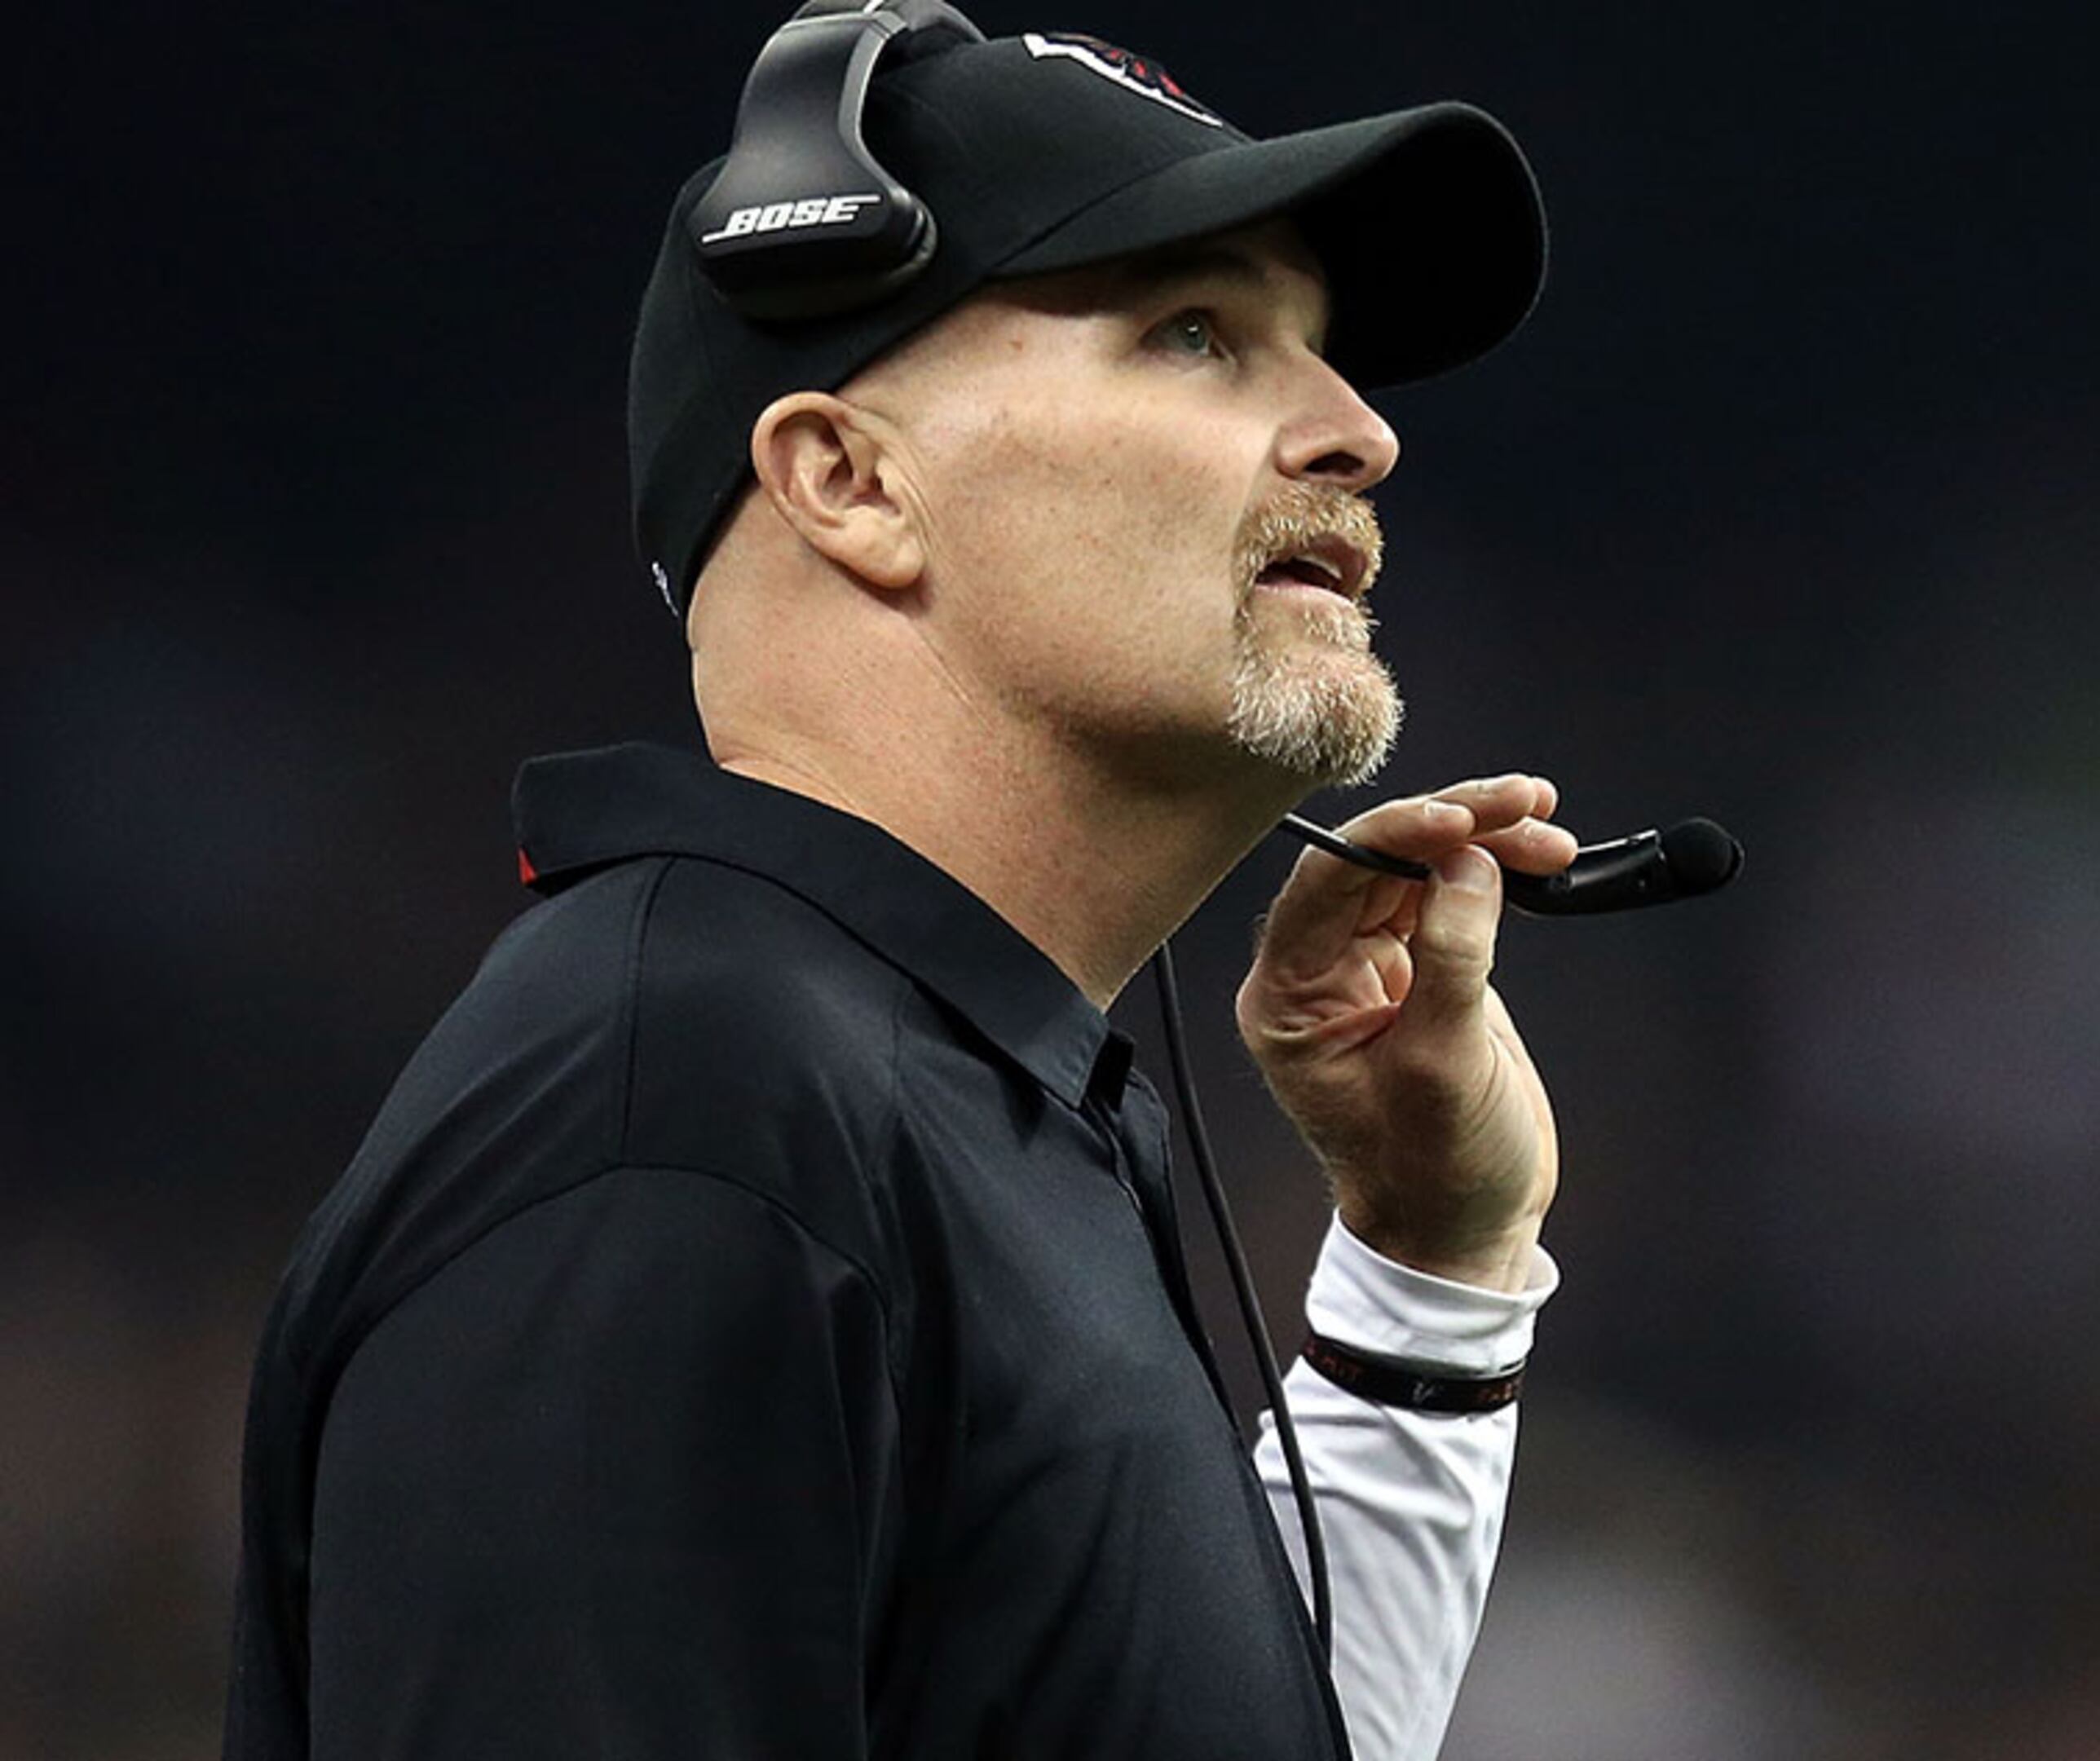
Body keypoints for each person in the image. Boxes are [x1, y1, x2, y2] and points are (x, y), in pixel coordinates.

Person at [224, 15, 1567, 1759]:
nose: (1359, 431)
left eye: (1320, 352)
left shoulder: (919, 1096)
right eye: (1195, 333)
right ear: (850, 485)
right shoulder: (681, 1116)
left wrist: (1427, 1273)